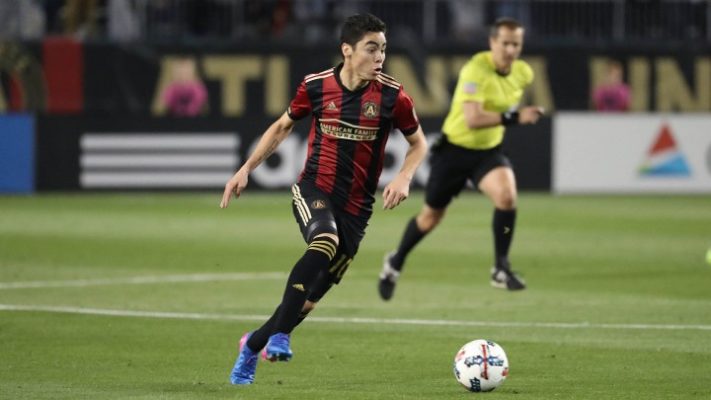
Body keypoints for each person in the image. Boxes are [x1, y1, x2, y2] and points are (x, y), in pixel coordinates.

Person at [221, 13, 427, 385]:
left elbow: (418, 144)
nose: (380, 57)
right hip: (315, 189)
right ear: (347, 50)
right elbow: (282, 126)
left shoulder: (393, 96)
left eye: (383, 49)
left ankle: (252, 345)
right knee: (324, 240)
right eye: (371, 48)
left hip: (357, 208)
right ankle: (280, 336)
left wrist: (404, 176)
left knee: (311, 298)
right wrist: (246, 168)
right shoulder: (316, 86)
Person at [378, 17, 544, 300]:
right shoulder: (475, 69)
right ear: (492, 42)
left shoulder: (523, 73)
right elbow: (472, 119)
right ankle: (395, 262)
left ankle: (500, 268)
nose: (510, 49)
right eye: (505, 43)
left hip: (488, 152)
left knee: (506, 197)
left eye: (516, 44)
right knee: (430, 218)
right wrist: (516, 117)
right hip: (454, 151)